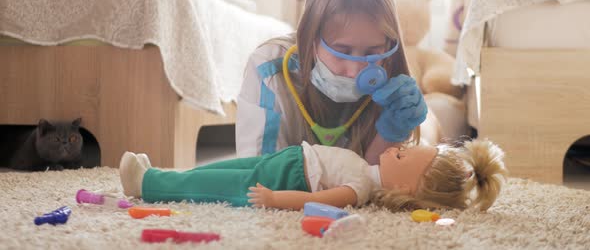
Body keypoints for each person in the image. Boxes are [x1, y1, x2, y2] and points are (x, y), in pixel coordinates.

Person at [236, 0, 440, 164]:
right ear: (311, 39)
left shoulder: (391, 81)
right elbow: (259, 176)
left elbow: (380, 179)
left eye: (372, 53)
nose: (355, 71)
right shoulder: (269, 69)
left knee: (431, 127)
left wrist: (391, 133)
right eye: (343, 52)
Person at [119, 138, 507, 211]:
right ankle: (157, 173)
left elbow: (318, 200)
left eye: (402, 154)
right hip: (285, 162)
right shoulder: (365, 169)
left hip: (283, 181)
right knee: (216, 168)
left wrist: (274, 200)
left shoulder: (359, 188)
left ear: (404, 185)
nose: (394, 148)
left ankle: (146, 184)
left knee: (211, 186)